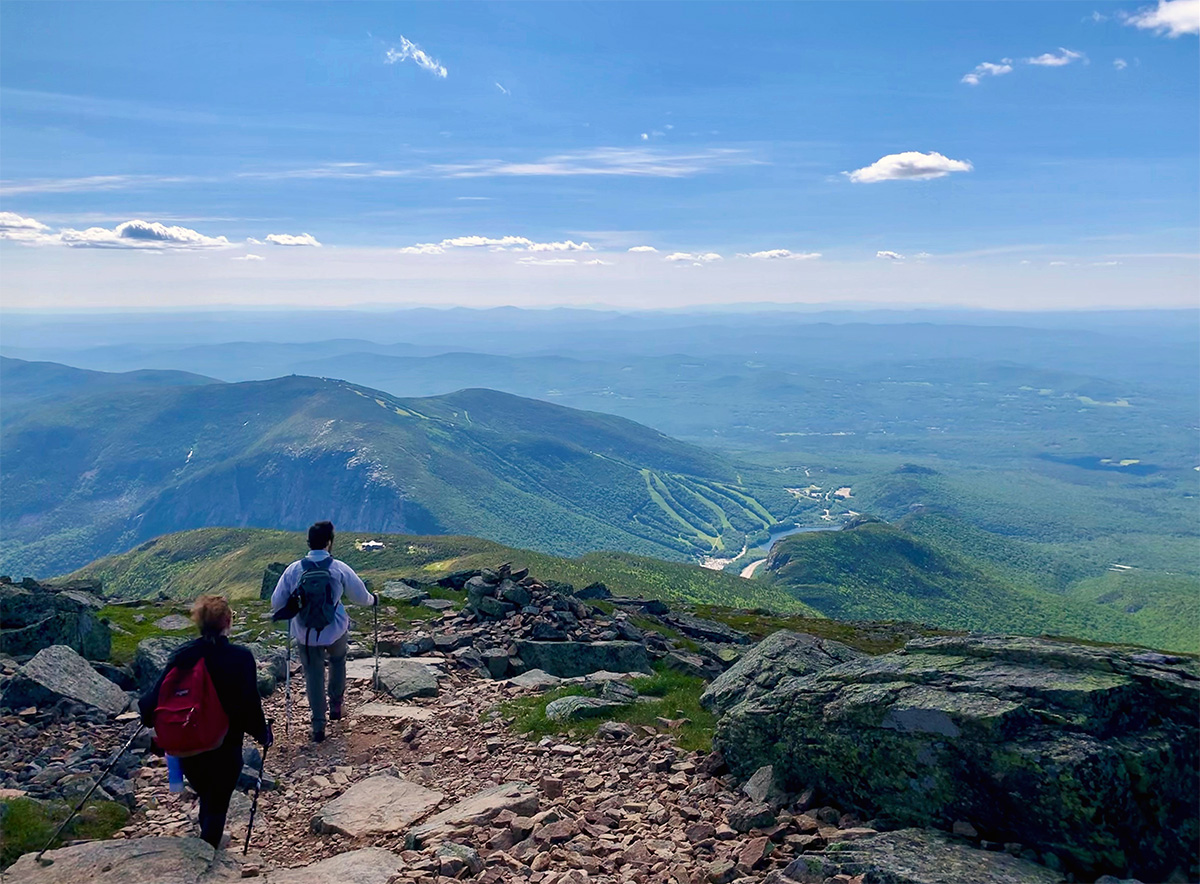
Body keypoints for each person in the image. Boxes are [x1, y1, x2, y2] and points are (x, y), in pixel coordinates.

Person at [139, 595, 271, 849]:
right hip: (224, 744)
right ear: (227, 621)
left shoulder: (183, 655)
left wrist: (152, 720)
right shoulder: (240, 657)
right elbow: (249, 704)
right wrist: (262, 734)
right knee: (217, 801)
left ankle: (207, 843)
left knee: (207, 795)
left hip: (188, 745)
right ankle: (208, 855)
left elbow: (150, 702)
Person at [271, 520, 377, 742]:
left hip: (305, 632)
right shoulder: (338, 568)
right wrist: (373, 600)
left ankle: (318, 724)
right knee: (338, 660)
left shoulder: (294, 569)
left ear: (309, 542)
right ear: (329, 543)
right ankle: (336, 704)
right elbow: (360, 596)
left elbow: (276, 602)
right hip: (335, 627)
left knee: (313, 673)